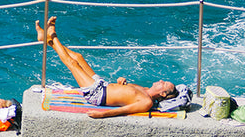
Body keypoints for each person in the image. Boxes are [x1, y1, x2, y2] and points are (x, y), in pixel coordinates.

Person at [36, 17, 177, 117]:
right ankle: (46, 40)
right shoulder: (145, 90)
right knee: (78, 57)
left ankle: (53, 36)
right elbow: (125, 92)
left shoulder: (146, 102)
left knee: (72, 64)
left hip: (96, 94)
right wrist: (122, 82)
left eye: (163, 84)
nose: (160, 81)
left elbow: (124, 110)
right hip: (102, 84)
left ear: (163, 94)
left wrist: (102, 115)